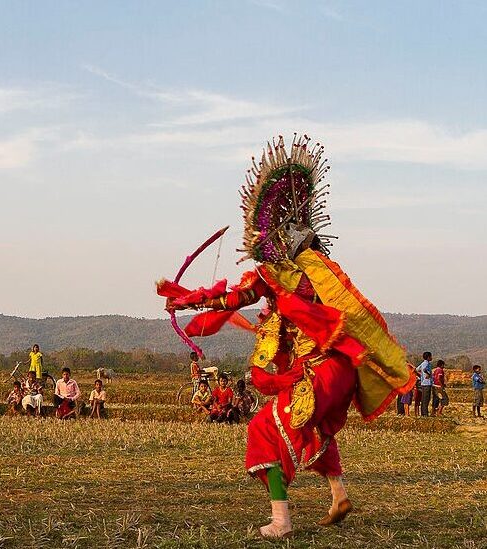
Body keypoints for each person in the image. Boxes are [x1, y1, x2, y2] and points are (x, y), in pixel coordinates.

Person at [158, 136, 414, 538]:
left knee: (263, 428)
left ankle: (281, 521)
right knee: (311, 431)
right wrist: (189, 300)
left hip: (320, 371)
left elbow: (235, 297)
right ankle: (338, 494)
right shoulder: (322, 274)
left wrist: (187, 300)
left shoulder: (276, 275)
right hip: (341, 370)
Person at [416, 352, 433, 417]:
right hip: (427, 383)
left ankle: (423, 413)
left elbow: (417, 369)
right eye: (431, 356)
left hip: (423, 383)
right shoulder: (427, 364)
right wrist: (427, 373)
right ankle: (424, 413)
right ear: (428, 357)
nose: (431, 357)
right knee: (426, 399)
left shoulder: (422, 363)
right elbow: (425, 370)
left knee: (424, 399)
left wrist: (421, 376)